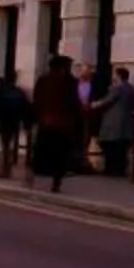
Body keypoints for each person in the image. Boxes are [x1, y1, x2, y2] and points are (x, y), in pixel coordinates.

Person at [31, 52, 86, 192]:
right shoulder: (70, 82)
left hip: (46, 122)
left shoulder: (43, 80)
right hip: (64, 124)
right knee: (61, 155)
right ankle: (56, 181)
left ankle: (38, 178)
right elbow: (74, 103)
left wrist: (36, 118)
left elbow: (37, 101)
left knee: (44, 152)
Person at [91, 64, 134, 178]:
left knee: (110, 146)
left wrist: (94, 104)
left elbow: (106, 101)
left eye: (114, 74)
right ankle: (120, 170)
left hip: (113, 123)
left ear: (118, 76)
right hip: (126, 122)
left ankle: (111, 169)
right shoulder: (131, 88)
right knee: (122, 148)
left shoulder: (116, 88)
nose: (113, 76)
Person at [0, 67, 32, 182]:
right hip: (14, 121)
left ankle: (4, 169)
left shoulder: (0, 91)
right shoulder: (19, 92)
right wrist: (27, 123)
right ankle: (6, 168)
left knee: (4, 144)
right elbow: (26, 108)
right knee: (9, 143)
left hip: (3, 120)